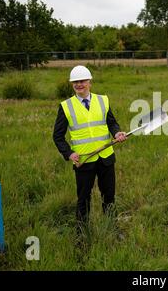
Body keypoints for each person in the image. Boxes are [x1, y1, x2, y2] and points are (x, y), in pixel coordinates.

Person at [53, 65, 127, 225]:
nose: (79, 84)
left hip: (106, 158)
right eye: (75, 82)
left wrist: (117, 133)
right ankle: (81, 234)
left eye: (82, 81)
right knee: (83, 199)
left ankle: (111, 228)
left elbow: (111, 122)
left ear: (90, 82)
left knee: (109, 196)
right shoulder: (66, 106)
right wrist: (69, 154)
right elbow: (57, 136)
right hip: (84, 160)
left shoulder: (103, 100)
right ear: (72, 84)